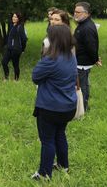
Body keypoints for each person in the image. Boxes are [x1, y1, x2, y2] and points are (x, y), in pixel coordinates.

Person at [31, 25, 77, 180]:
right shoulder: (71, 56)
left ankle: (44, 174)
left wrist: (45, 54)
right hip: (68, 106)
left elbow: (35, 77)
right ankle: (63, 165)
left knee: (47, 140)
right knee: (60, 134)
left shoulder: (50, 60)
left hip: (51, 107)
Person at [73, 2, 101, 111]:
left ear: (87, 13)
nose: (75, 14)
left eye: (78, 12)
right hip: (79, 62)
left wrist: (95, 59)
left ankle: (83, 109)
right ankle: (81, 107)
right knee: (81, 85)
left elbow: (91, 47)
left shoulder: (87, 28)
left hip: (82, 64)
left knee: (82, 87)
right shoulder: (82, 25)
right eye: (74, 12)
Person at [1, 12, 28, 81]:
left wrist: (23, 49)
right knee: (4, 62)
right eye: (13, 16)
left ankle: (16, 80)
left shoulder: (20, 27)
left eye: (16, 17)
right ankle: (6, 77)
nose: (14, 18)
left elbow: (24, 39)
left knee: (15, 64)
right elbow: (8, 35)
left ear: (19, 18)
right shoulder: (11, 25)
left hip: (16, 49)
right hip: (9, 48)